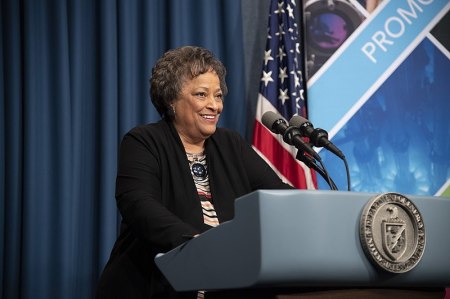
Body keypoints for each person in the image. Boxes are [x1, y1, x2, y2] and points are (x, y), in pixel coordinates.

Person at [95, 46, 292, 299]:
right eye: (202, 95)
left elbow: (278, 198)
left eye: (218, 96)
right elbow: (138, 204)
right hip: (153, 286)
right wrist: (197, 243)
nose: (214, 106)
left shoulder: (231, 144)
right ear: (171, 100)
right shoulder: (144, 141)